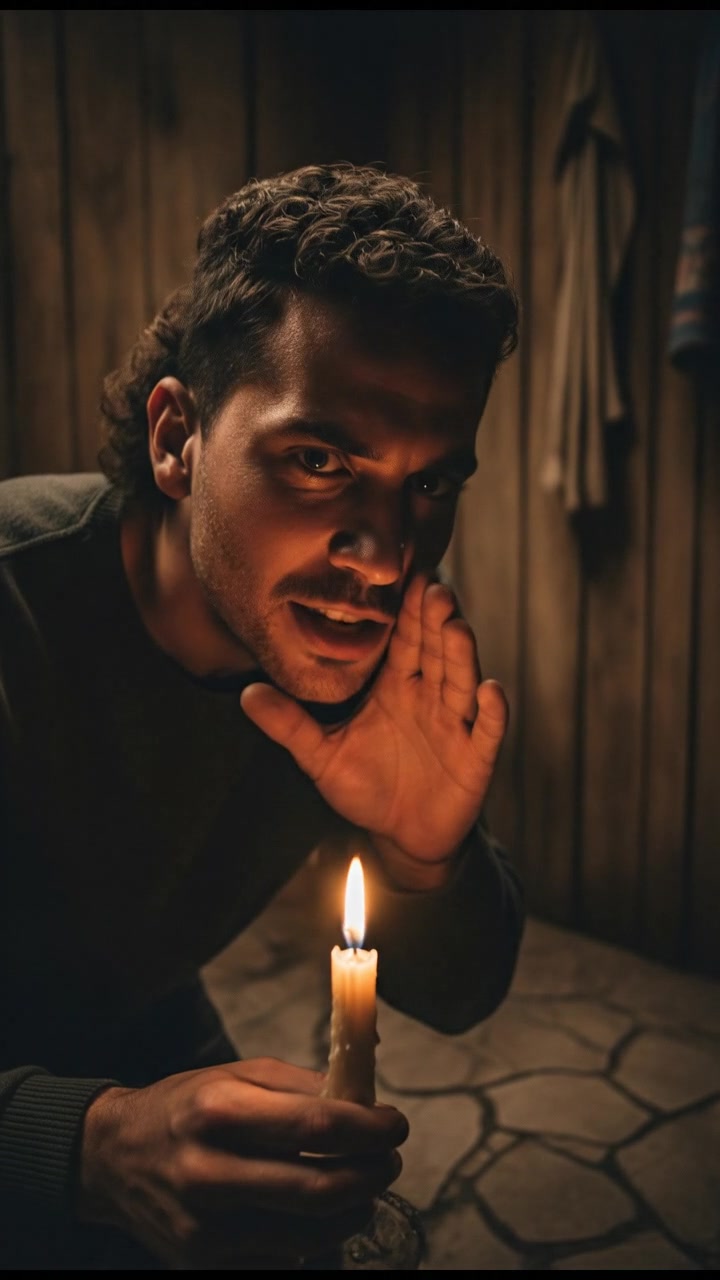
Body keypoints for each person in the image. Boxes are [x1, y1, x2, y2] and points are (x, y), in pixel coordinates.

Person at [0, 162, 524, 1270]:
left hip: (138, 1014)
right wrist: (85, 1149)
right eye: (320, 459)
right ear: (177, 437)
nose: (384, 556)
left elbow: (463, 993)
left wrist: (427, 859)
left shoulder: (354, 660)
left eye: (428, 485)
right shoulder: (17, 609)